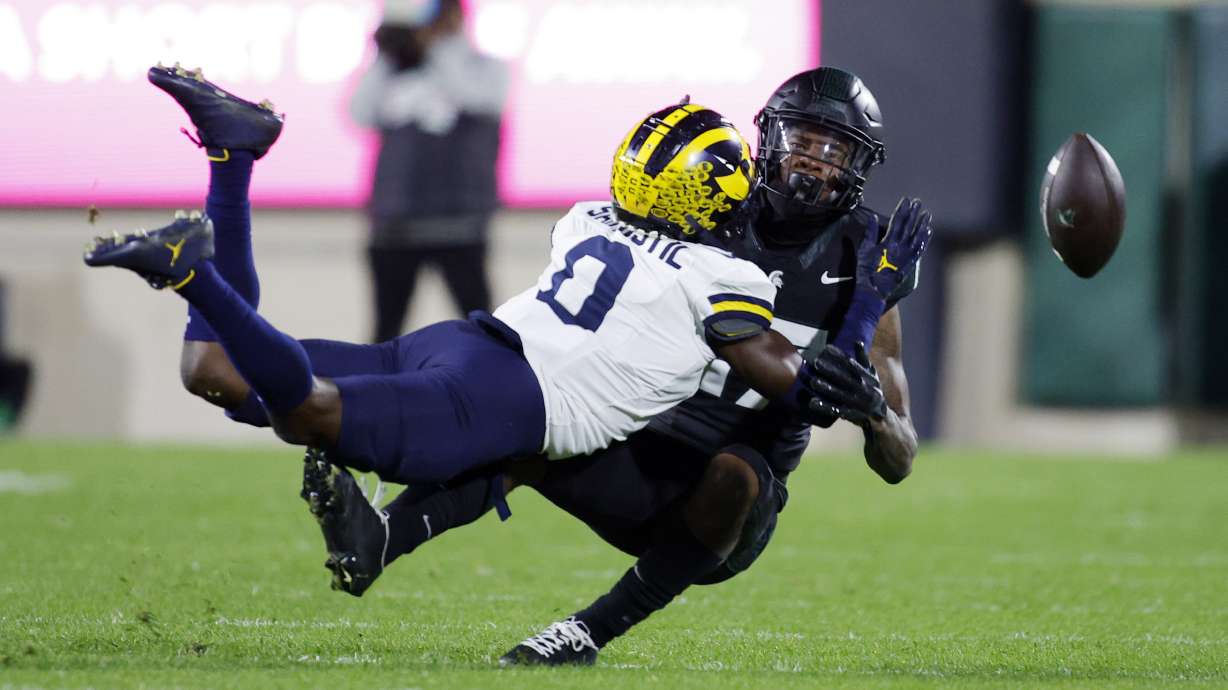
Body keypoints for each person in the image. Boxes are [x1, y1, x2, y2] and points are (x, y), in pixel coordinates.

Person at [306, 67, 934, 666]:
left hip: (718, 508)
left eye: (836, 152)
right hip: (626, 444)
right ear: (768, 138)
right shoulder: (706, 204)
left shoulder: (869, 259)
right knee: (537, 410)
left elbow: (899, 458)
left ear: (859, 170)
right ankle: (385, 536)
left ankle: (585, 632)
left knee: (738, 470)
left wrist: (877, 411)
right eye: (803, 140)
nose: (813, 163)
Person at [83, 66, 921, 508]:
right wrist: (873, 299)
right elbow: (805, 392)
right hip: (506, 396)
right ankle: (194, 266)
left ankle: (231, 161)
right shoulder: (725, 277)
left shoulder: (588, 216)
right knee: (304, 410)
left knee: (214, 373)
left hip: (469, 340)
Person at [349, 0, 507, 343]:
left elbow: (480, 100)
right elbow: (358, 112)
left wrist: (436, 46)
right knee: (385, 333)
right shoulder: (393, 71)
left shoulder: (485, 68)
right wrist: (388, 52)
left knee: (483, 331)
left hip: (459, 223)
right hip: (395, 225)